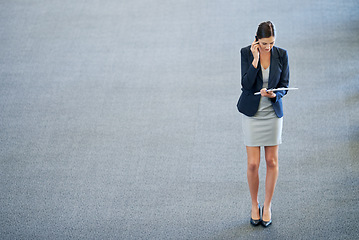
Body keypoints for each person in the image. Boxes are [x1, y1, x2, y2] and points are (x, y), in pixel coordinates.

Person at [236, 21, 289, 227]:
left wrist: (276, 94)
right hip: (253, 113)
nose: (269, 47)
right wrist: (256, 60)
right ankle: (253, 204)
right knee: (253, 163)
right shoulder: (246, 53)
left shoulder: (281, 54)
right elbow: (246, 84)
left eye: (272, 43)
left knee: (272, 162)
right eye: (265, 43)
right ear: (257, 39)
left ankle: (267, 205)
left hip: (272, 113)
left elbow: (285, 84)